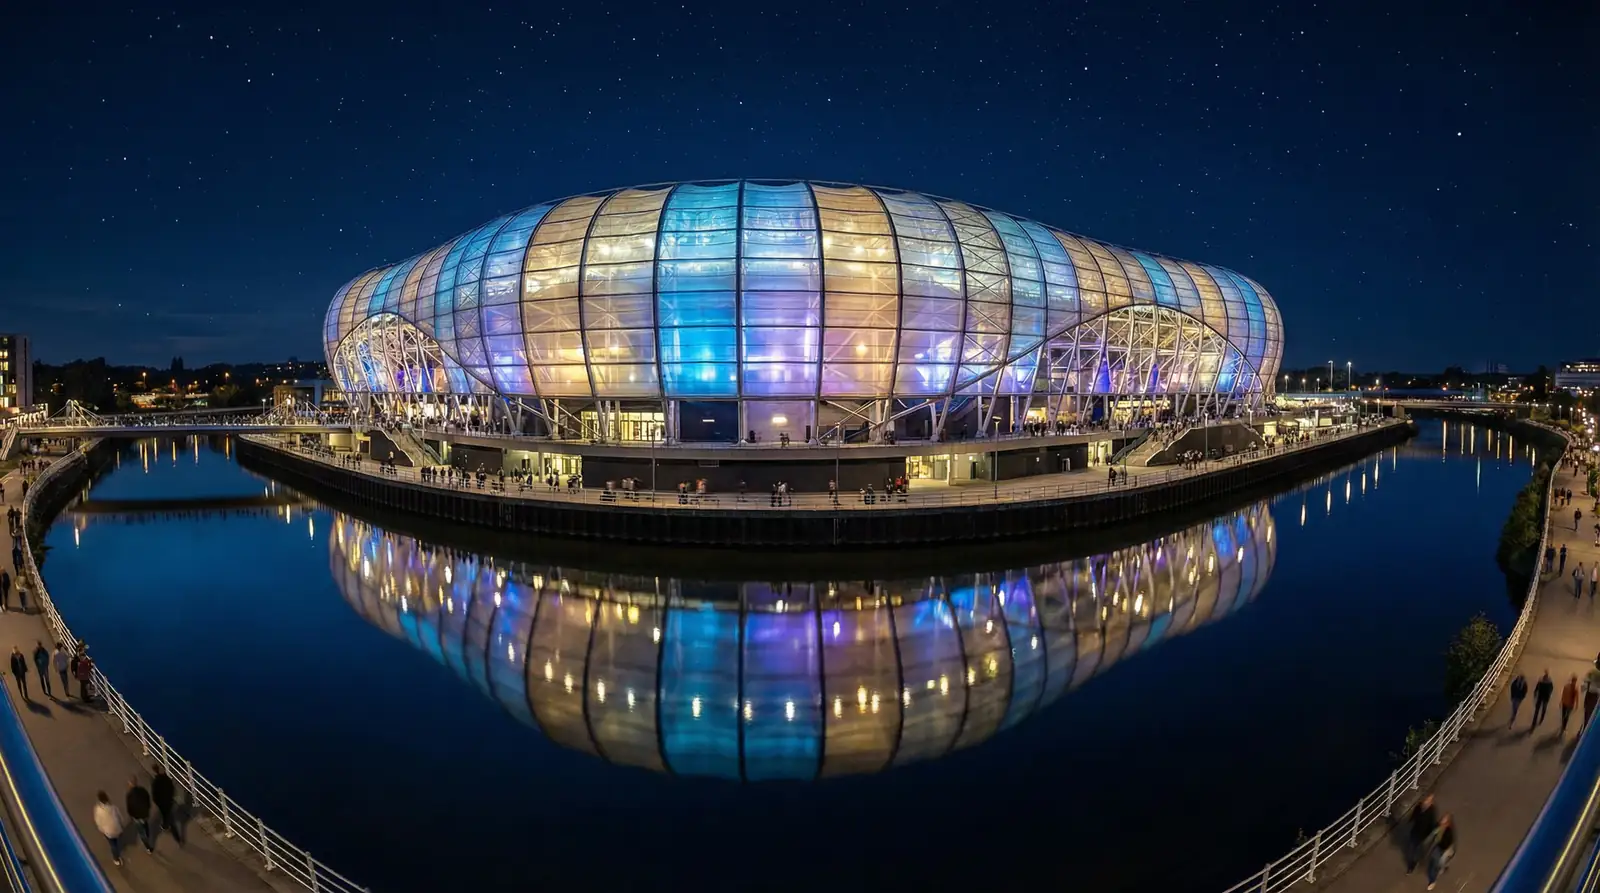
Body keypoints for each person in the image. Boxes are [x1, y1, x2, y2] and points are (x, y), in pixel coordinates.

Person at [1406, 793, 1438, 874]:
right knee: (1412, 849)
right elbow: (1414, 814)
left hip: (1424, 834)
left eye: (1428, 800)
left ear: (1431, 802)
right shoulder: (1419, 807)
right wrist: (1411, 819)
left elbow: (1432, 822)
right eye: (1426, 800)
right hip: (1415, 831)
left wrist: (1432, 832)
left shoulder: (1432, 810)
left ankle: (1418, 862)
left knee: (1420, 849)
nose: (1426, 802)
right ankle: (1412, 864)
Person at [150, 764, 181, 845]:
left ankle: (177, 838)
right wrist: (171, 797)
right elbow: (172, 788)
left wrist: (157, 803)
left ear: (154, 772)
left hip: (162, 804)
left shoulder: (155, 783)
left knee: (168, 818)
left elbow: (154, 796)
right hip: (169, 801)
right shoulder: (166, 778)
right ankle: (165, 825)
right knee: (167, 815)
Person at [94, 791, 126, 866]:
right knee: (116, 839)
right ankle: (117, 847)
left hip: (108, 832)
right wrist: (121, 824)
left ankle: (116, 859)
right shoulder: (113, 807)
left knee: (112, 845)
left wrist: (102, 830)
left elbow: (98, 822)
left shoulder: (98, 810)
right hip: (117, 828)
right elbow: (119, 816)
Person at [1427, 814, 1456, 890]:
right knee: (1435, 861)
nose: (1441, 821)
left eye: (1444, 820)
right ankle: (1441, 868)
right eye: (1442, 819)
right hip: (1438, 846)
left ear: (1447, 823)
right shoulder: (1439, 826)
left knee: (1437, 864)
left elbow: (1446, 843)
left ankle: (1433, 881)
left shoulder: (1448, 832)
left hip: (1442, 849)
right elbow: (1434, 833)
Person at [126, 777, 153, 853]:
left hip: (137, 817)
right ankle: (147, 834)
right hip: (145, 814)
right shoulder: (142, 790)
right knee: (145, 825)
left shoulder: (129, 795)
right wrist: (148, 809)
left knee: (141, 832)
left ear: (130, 784)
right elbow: (148, 800)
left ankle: (148, 847)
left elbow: (129, 808)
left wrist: (132, 816)